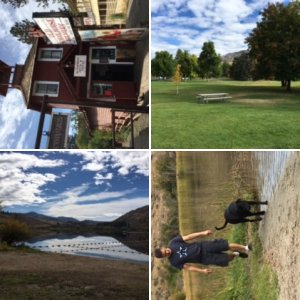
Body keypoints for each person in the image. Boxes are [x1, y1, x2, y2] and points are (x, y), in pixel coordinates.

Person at [154, 230, 251, 274]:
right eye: (165, 254)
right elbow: (189, 267)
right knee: (226, 259)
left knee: (226, 245)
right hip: (204, 259)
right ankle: (236, 254)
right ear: (164, 257)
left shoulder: (173, 242)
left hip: (203, 246)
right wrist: (202, 271)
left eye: (165, 250)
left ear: (163, 247)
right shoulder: (174, 262)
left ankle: (246, 247)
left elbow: (189, 237)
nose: (167, 252)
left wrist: (202, 233)